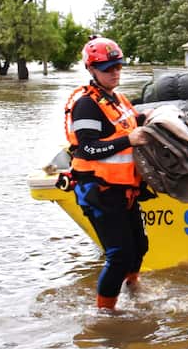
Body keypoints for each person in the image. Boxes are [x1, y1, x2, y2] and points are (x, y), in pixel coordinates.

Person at [63, 36, 151, 311]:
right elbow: (87, 148)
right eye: (107, 68)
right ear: (91, 69)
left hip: (124, 188)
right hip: (99, 190)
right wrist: (129, 140)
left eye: (118, 67)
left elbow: (129, 124)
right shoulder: (86, 104)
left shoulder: (118, 99)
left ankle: (133, 290)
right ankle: (105, 315)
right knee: (119, 255)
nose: (115, 73)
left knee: (140, 247)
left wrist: (149, 120)